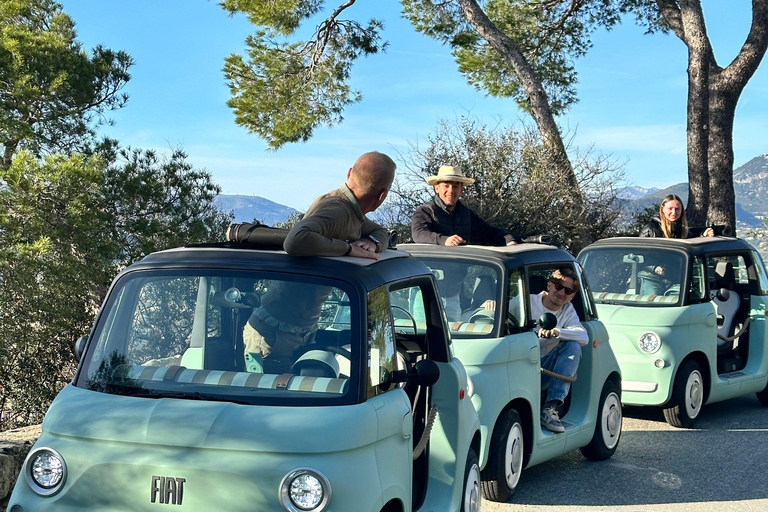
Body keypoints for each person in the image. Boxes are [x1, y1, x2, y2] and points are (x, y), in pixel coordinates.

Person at [243, 151, 397, 374]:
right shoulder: (337, 209)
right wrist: (347, 248)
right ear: (382, 195)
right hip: (274, 332)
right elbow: (295, 241)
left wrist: (372, 243)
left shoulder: (351, 212)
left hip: (299, 328)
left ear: (349, 174)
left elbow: (380, 232)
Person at [511, 268, 588, 433]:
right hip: (516, 366)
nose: (561, 293)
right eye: (558, 286)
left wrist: (558, 332)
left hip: (543, 369)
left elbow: (584, 337)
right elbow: (499, 313)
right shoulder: (527, 301)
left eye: (567, 291)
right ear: (549, 285)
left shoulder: (568, 311)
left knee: (573, 346)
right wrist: (489, 307)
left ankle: (549, 408)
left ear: (572, 296)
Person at [411, 165, 518, 246]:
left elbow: (488, 232)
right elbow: (418, 234)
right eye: (446, 186)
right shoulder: (425, 211)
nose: (451, 191)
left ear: (461, 190)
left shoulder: (466, 214)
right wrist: (445, 240)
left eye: (455, 186)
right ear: (437, 188)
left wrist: (508, 239)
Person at [640, 194, 714, 238]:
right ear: (663, 209)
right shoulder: (651, 229)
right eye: (670, 208)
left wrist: (703, 236)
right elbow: (640, 254)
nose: (674, 212)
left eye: (677, 209)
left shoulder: (684, 231)